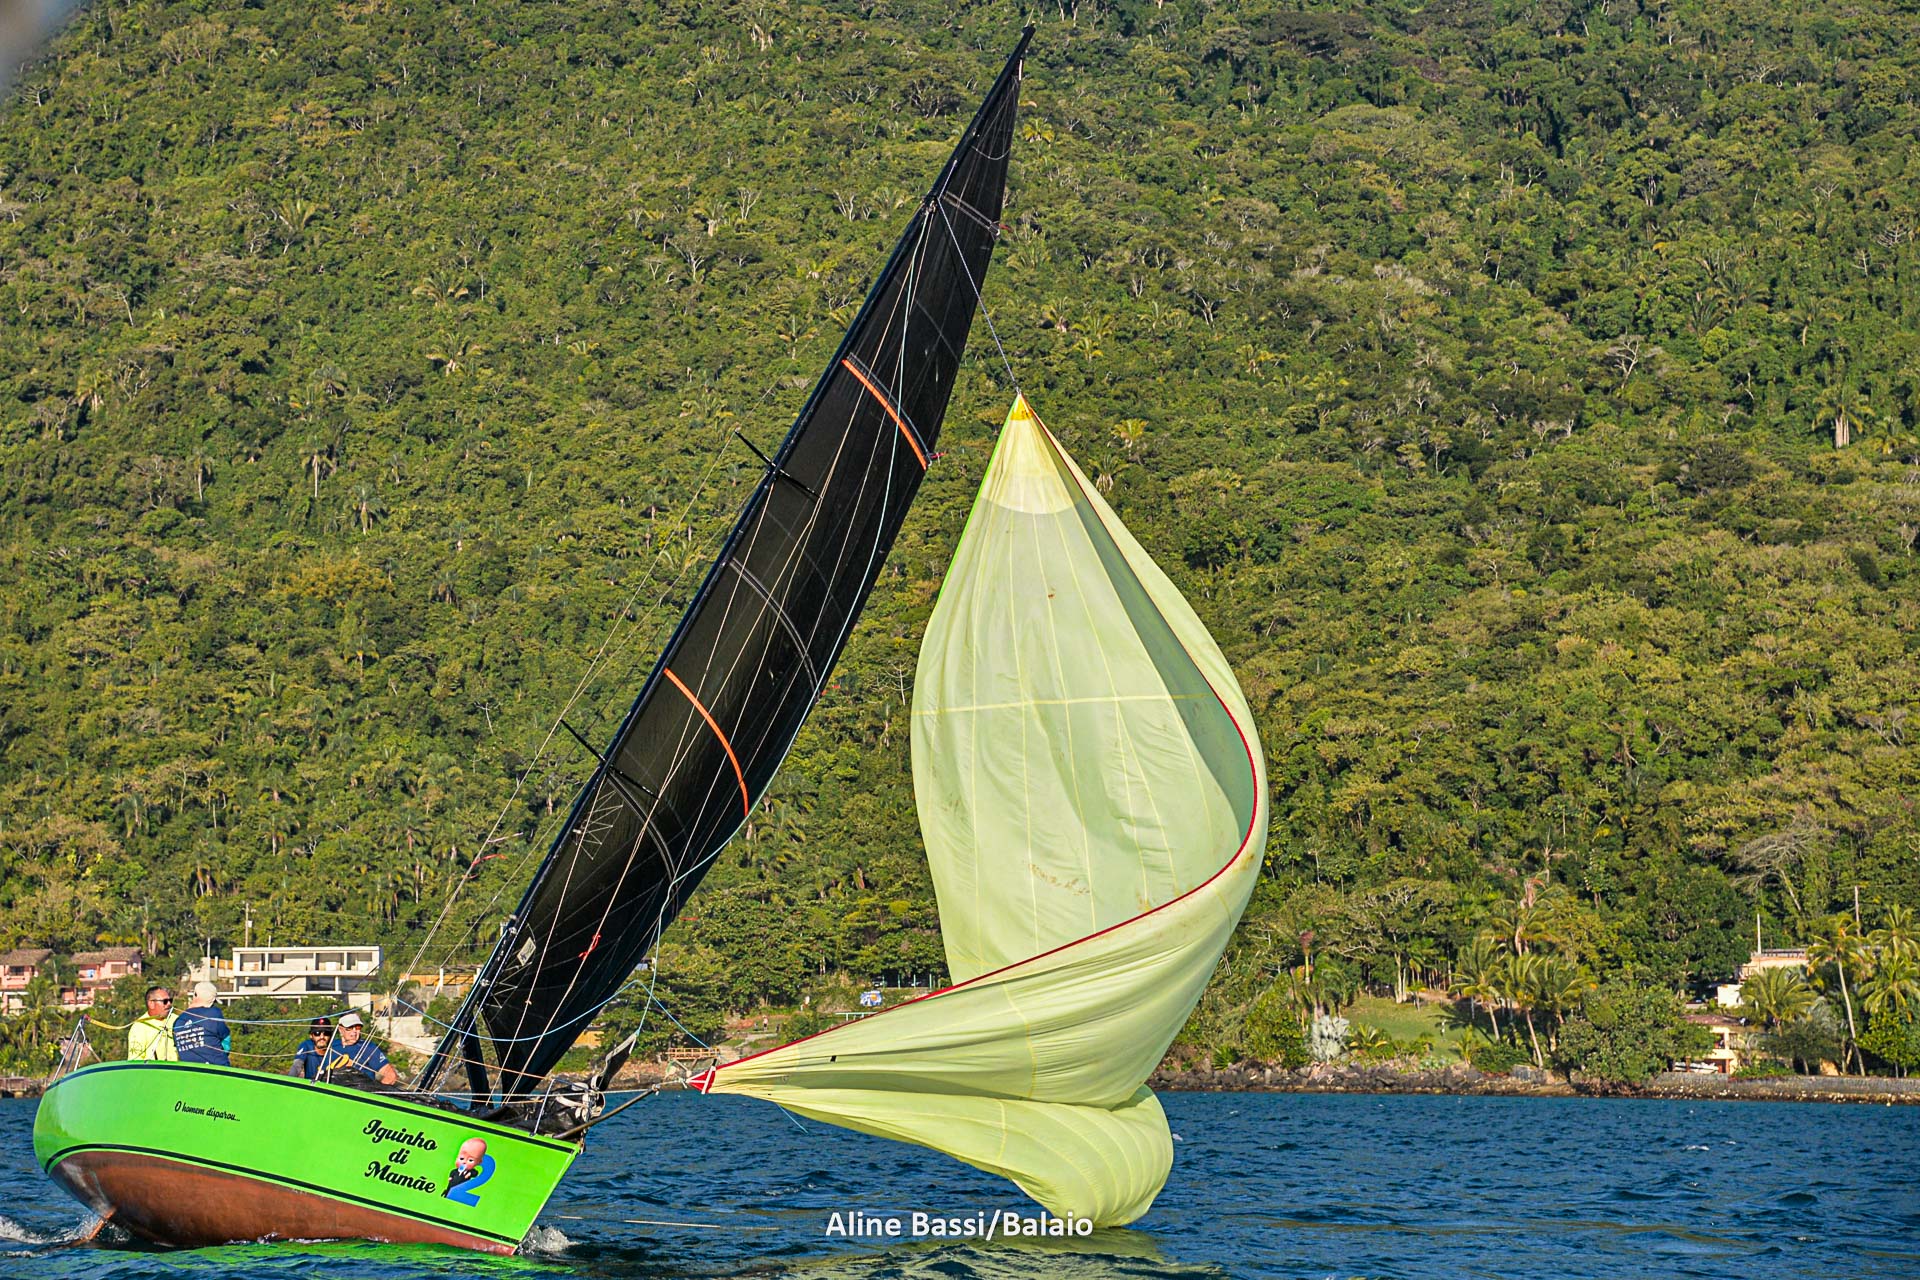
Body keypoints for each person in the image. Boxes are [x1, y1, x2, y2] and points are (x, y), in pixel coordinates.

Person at [325, 1011, 398, 1086]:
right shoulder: (331, 1045)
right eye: (349, 1028)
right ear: (340, 1029)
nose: (354, 1032)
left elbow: (391, 1075)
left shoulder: (368, 1047)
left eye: (357, 1028)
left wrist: (376, 1091)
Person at [172, 981, 231, 1066]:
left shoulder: (177, 1021)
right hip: (217, 1069)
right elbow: (226, 1043)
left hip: (189, 1071)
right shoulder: (214, 1013)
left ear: (195, 994)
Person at [126, 986, 178, 1061]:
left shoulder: (177, 1020)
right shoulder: (139, 1027)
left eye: (170, 1000)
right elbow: (135, 1061)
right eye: (165, 1001)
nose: (169, 1004)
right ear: (151, 1004)